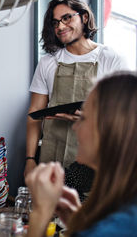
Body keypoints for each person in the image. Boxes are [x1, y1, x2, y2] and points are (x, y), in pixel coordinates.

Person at [25, 0, 128, 200]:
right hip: (51, 158)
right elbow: (33, 115)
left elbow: (124, 119)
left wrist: (89, 119)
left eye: (67, 18)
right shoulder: (48, 63)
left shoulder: (111, 59)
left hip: (94, 163)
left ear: (84, 17)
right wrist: (29, 159)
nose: (60, 26)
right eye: (55, 22)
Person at [26, 72, 137, 237]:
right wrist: (79, 221)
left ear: (110, 130)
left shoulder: (115, 228)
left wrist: (41, 214)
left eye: (83, 118)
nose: (75, 127)